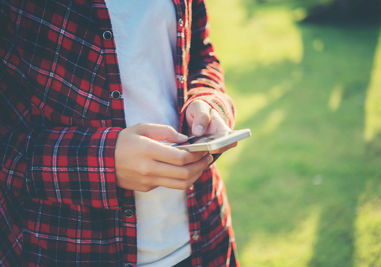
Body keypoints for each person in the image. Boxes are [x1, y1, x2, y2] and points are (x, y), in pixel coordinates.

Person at [0, 0, 238, 266]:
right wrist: (103, 161)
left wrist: (208, 101)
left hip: (204, 235)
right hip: (62, 247)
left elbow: (199, 53)